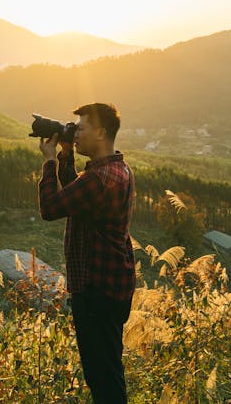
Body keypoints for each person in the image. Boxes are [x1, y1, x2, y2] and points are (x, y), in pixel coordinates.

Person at [38, 102, 135, 404]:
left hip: (96, 291)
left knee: (103, 379)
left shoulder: (100, 178)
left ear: (102, 132)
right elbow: (75, 193)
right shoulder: (115, 170)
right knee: (107, 373)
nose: (76, 133)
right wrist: (67, 150)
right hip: (109, 288)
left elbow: (51, 207)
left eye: (81, 128)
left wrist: (50, 161)